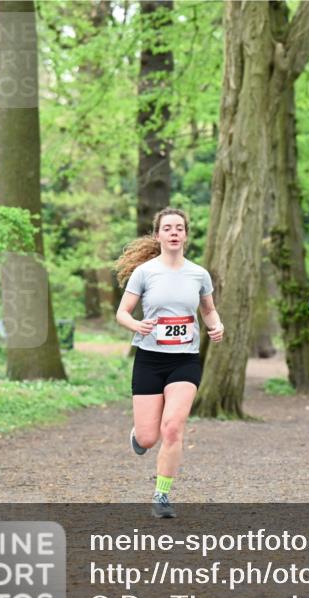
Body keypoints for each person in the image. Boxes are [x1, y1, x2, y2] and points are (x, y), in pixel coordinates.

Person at [115, 207, 224, 518]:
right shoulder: (145, 273)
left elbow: (209, 311)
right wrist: (136, 325)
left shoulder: (199, 274)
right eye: (168, 228)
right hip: (150, 359)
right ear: (158, 235)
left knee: (173, 427)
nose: (174, 232)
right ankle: (138, 435)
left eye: (179, 228)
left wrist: (217, 326)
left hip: (185, 360)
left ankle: (161, 494)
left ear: (186, 235)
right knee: (149, 437)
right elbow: (122, 312)